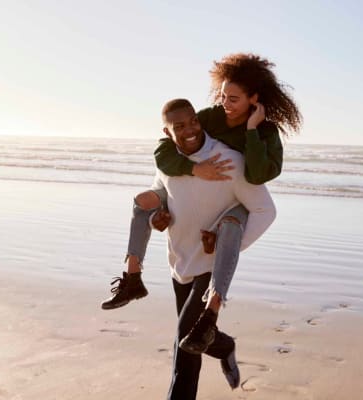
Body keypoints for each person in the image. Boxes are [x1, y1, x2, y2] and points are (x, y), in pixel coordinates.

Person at [101, 53, 301, 353]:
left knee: (186, 336)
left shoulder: (266, 132)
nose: (225, 104)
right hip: (196, 221)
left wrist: (250, 130)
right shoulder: (210, 118)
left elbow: (259, 174)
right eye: (222, 96)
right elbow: (167, 149)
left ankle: (213, 314)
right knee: (141, 203)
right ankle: (133, 277)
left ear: (254, 99)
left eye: (234, 99)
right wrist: (189, 177)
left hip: (239, 201)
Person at [152, 98, 276, 399]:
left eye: (193, 121)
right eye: (179, 126)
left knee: (184, 346)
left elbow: (265, 211)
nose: (190, 130)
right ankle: (223, 345)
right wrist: (158, 214)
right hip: (179, 262)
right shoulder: (169, 161)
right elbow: (161, 191)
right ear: (167, 132)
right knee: (194, 341)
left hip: (208, 268)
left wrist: (228, 251)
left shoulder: (228, 161)